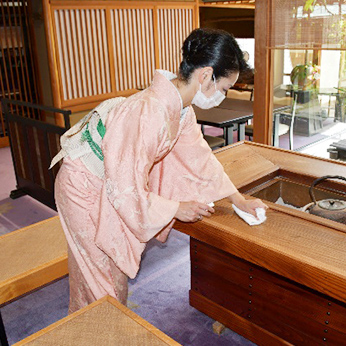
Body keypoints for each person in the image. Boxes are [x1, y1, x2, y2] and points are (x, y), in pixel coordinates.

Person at [52, 28, 267, 314]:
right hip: (84, 186)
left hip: (110, 182)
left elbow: (200, 159)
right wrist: (175, 208)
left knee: (111, 278)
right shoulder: (149, 111)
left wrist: (238, 199)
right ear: (205, 75)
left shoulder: (181, 109)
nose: (223, 97)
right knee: (98, 283)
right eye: (225, 88)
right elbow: (126, 189)